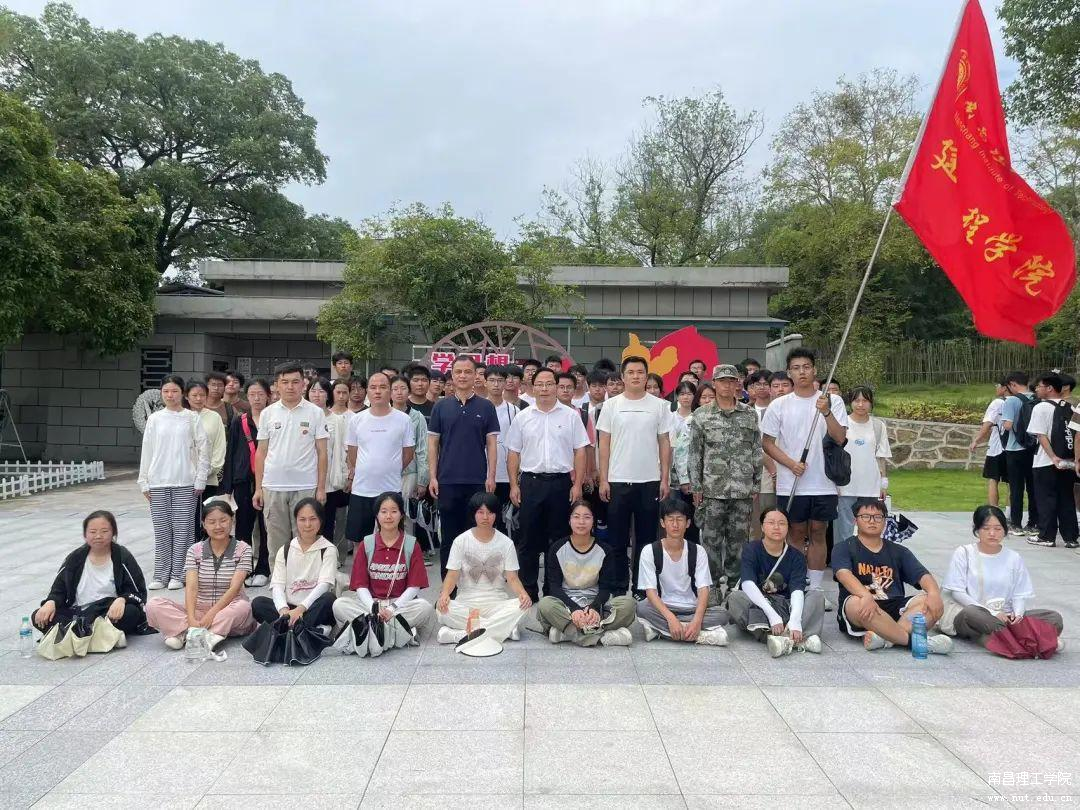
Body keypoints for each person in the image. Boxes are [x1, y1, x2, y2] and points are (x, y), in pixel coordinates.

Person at [760, 348, 848, 609]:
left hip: (824, 482)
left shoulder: (832, 401)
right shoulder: (779, 404)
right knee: (795, 532)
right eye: (796, 368)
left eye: (806, 367)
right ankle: (797, 584)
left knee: (819, 531)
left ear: (815, 370)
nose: (802, 372)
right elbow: (767, 442)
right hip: (792, 482)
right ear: (789, 372)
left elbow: (840, 438)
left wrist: (826, 412)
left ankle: (816, 588)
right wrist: (789, 464)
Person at [505, 368, 590, 601]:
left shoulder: (570, 416)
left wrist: (577, 484)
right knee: (528, 539)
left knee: (560, 539)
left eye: (549, 384)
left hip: (561, 484)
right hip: (531, 483)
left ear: (556, 386)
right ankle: (528, 590)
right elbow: (513, 453)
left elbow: (580, 451)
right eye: (539, 384)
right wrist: (513, 485)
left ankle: (554, 591)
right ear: (532, 387)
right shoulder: (523, 416)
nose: (544, 388)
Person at [834, 498, 952, 653]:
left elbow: (923, 575)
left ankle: (886, 638)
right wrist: (865, 595)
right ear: (856, 520)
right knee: (856, 602)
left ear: (885, 521)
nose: (872, 521)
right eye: (865, 516)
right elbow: (843, 574)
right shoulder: (844, 547)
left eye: (878, 517)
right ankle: (913, 642)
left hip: (895, 608)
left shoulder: (899, 551)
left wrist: (934, 593)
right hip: (862, 607)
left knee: (928, 601)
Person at [597, 355, 672, 594]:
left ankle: (642, 589)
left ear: (646, 375)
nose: (636, 376)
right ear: (623, 376)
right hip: (618, 481)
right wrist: (603, 479)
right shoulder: (611, 405)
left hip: (649, 481)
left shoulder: (659, 406)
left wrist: (665, 478)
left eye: (640, 372)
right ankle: (619, 589)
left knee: (647, 541)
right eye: (631, 372)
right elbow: (604, 444)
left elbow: (664, 442)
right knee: (617, 540)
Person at [688, 364, 762, 599]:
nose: (727, 385)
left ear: (737, 384)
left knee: (738, 542)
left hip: (742, 489)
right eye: (722, 381)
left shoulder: (749, 414)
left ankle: (733, 587)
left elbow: (756, 450)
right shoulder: (701, 415)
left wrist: (756, 483)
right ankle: (710, 588)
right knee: (710, 541)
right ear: (714, 384)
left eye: (732, 381)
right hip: (712, 490)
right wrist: (696, 486)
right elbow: (695, 453)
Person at [943, 504, 1063, 649]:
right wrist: (992, 613)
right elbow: (957, 593)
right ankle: (1030, 639)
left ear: (1005, 530)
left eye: (998, 529)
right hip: (977, 615)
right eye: (986, 528)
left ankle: (1004, 639)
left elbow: (1019, 594)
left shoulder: (1014, 557)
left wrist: (1018, 615)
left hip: (1006, 616)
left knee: (1054, 618)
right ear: (977, 529)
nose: (992, 533)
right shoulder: (964, 553)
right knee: (971, 613)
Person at [146, 500, 256, 650]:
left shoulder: (243, 549)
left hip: (229, 610)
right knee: (153, 604)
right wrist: (191, 618)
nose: (218, 526)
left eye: (223, 520)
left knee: (243, 607)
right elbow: (191, 587)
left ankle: (187, 632)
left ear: (232, 520)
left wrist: (211, 614)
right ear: (204, 524)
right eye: (212, 522)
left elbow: (234, 588)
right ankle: (195, 632)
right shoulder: (195, 550)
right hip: (199, 611)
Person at [428, 355, 500, 580]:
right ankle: (448, 587)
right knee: (449, 537)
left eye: (468, 371)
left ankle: (474, 584)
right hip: (447, 481)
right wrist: (433, 476)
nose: (462, 376)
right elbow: (433, 444)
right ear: (452, 374)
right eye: (458, 371)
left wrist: (491, 476)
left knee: (476, 534)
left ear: (476, 375)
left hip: (476, 481)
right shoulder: (441, 406)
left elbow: (491, 444)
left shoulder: (486, 406)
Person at [254, 361, 329, 569]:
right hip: (273, 486)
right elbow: (261, 452)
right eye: (285, 382)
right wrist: (258, 488)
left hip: (305, 486)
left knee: (306, 537)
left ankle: (305, 579)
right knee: (276, 541)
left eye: (295, 382)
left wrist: (321, 488)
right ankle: (278, 580)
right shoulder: (268, 413)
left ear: (303, 384)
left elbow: (322, 453)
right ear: (276, 385)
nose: (290, 387)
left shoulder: (315, 412)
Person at [138, 375, 210, 590]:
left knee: (183, 530)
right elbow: (147, 450)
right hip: (158, 482)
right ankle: (160, 575)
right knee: (162, 530)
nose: (170, 395)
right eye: (166, 391)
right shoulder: (155, 419)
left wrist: (200, 478)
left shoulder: (191, 418)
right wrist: (143, 481)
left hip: (185, 482)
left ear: (182, 393)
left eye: (174, 391)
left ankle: (179, 574)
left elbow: (203, 449)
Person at [32, 510, 153, 637]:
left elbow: (138, 593)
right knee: (38, 615)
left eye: (104, 531)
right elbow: (59, 590)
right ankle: (93, 634)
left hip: (108, 612)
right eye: (93, 532)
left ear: (113, 533)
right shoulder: (75, 558)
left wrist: (122, 599)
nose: (98, 536)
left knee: (131, 612)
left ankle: (76, 634)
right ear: (85, 534)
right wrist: (51, 602)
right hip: (78, 613)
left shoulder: (122, 557)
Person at [332, 491, 435, 636]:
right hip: (371, 604)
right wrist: (373, 608)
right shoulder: (366, 544)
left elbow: (414, 586)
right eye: (384, 511)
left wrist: (392, 609)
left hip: (400, 605)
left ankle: (372, 628)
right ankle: (395, 629)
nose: (388, 516)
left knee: (424, 607)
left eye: (394, 511)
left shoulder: (411, 544)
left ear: (401, 515)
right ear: (377, 515)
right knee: (339, 605)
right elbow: (361, 586)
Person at [436, 492, 532, 644]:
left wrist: (523, 594)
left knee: (524, 607)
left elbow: (512, 578)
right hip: (467, 603)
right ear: (473, 514)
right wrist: (445, 595)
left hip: (497, 604)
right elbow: (452, 575)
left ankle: (459, 635)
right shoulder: (460, 541)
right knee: (442, 609)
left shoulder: (506, 543)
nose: (485, 517)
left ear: (496, 515)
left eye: (490, 512)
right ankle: (503, 629)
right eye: (480, 512)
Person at [537, 499, 636, 646]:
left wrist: (594, 608)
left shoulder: (605, 550)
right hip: (566, 605)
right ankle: (600, 635)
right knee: (545, 605)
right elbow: (554, 587)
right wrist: (575, 610)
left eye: (587, 517)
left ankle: (569, 633)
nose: (581, 522)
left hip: (595, 605)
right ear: (569, 520)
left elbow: (605, 588)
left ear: (593, 521)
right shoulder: (557, 548)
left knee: (629, 604)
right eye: (576, 517)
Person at [728, 508, 824, 656]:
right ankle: (793, 638)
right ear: (762, 527)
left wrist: (795, 619)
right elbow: (747, 584)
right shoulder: (751, 549)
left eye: (782, 523)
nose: (776, 527)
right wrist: (772, 615)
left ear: (788, 528)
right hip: (759, 607)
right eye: (771, 523)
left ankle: (786, 636)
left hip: (785, 606)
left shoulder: (797, 556)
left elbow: (797, 590)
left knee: (816, 596)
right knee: (735, 598)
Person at [636, 497, 729, 644]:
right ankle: (697, 634)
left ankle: (663, 631)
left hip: (691, 608)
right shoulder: (650, 551)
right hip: (664, 607)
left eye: (679, 519)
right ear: (662, 523)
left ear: (688, 523)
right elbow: (651, 592)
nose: (675, 525)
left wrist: (697, 620)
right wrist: (671, 619)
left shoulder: (698, 551)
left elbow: (703, 589)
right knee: (642, 608)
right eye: (670, 519)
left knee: (723, 614)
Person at [345, 372, 415, 545]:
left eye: (383, 387)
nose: (377, 391)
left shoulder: (404, 420)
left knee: (392, 539)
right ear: (367, 391)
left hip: (391, 488)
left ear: (390, 391)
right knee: (360, 543)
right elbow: (352, 453)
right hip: (362, 489)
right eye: (373, 387)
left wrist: (391, 467)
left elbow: (408, 453)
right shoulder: (356, 420)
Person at [251, 498, 338, 631]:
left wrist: (301, 609)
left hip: (312, 607)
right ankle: (304, 630)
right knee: (258, 603)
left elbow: (324, 585)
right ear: (296, 521)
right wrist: (283, 610)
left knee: (329, 599)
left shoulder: (328, 549)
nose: (307, 524)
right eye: (302, 519)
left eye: (313, 519)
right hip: (289, 607)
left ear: (320, 521)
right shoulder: (286, 549)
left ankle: (288, 629)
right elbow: (277, 585)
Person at [220, 378, 272, 586]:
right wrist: (228, 487)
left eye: (260, 394)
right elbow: (231, 452)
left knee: (266, 527)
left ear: (268, 396)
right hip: (243, 480)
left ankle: (264, 568)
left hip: (269, 480)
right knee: (243, 527)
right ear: (247, 397)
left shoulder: (274, 419)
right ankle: (244, 568)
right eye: (252, 394)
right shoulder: (239, 421)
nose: (256, 398)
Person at [1026, 373, 1078, 548]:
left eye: (1039, 386)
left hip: (1046, 461)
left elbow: (1041, 435)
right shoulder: (1070, 407)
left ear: (1049, 388)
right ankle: (1071, 538)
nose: (1036, 389)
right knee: (1066, 499)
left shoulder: (1041, 408)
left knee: (1046, 499)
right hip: (1067, 461)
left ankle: (1047, 536)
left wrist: (1053, 457)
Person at [836, 386, 891, 545]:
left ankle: (867, 556)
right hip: (845, 487)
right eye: (857, 400)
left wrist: (883, 484)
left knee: (870, 527)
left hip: (870, 487)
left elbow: (881, 457)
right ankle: (844, 558)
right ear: (850, 402)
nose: (861, 404)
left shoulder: (878, 426)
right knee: (844, 530)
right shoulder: (841, 424)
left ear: (871, 403)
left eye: (865, 400)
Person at [306, 378, 350, 557]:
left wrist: (347, 475)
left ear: (328, 395)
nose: (317, 395)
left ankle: (327, 559)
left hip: (329, 481)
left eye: (321, 391)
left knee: (327, 522)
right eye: (313, 390)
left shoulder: (337, 420)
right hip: (305, 479)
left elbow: (344, 451)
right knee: (307, 521)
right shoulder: (303, 417)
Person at [389, 374, 430, 542]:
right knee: (385, 513)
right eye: (395, 389)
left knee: (407, 516)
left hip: (410, 473)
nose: (399, 392)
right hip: (386, 473)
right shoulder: (383, 415)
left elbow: (422, 448)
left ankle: (408, 551)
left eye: (403, 388)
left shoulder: (417, 417)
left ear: (409, 391)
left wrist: (423, 479)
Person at [187, 380, 227, 541]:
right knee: (187, 521)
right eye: (194, 395)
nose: (198, 399)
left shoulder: (214, 417)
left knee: (207, 519)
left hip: (209, 479)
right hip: (185, 479)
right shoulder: (182, 416)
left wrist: (210, 470)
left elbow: (219, 446)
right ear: (187, 396)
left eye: (202, 395)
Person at [1001, 370, 1040, 535]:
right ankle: (1034, 523)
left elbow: (1008, 425)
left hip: (1015, 448)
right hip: (1033, 448)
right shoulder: (1037, 399)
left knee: (1016, 488)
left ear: (1012, 384)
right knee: (1033, 487)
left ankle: (1016, 524)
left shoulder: (1012, 401)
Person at [747, 370, 777, 541]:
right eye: (757, 384)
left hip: (773, 473)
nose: (762, 387)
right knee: (753, 525)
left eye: (766, 384)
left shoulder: (778, 409)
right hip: (749, 474)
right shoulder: (745, 411)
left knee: (771, 518)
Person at [969, 380, 1009, 507]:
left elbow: (987, 424)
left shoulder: (997, 403)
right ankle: (1011, 513)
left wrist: (976, 440)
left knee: (993, 479)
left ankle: (994, 511)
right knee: (1011, 482)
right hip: (1013, 447)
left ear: (1005, 388)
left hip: (997, 447)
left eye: (997, 386)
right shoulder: (1018, 402)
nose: (996, 388)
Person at [485, 365, 515, 528]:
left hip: (505, 473)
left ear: (505, 382)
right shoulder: (478, 407)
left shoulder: (514, 411)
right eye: (492, 380)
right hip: (482, 472)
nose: (496, 384)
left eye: (500, 380)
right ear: (485, 382)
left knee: (503, 519)